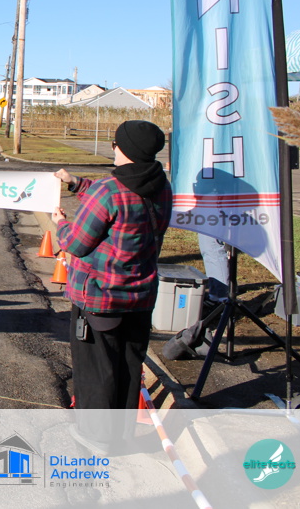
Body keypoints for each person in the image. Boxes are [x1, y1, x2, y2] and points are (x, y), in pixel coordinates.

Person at [51, 120, 171, 451]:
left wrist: (61, 225)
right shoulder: (161, 186)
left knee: (96, 370)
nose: (113, 149)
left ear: (123, 148)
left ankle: (97, 437)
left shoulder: (108, 190)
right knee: (129, 369)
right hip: (140, 297)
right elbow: (116, 197)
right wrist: (76, 183)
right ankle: (121, 434)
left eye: (115, 144)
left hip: (99, 298)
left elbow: (76, 243)